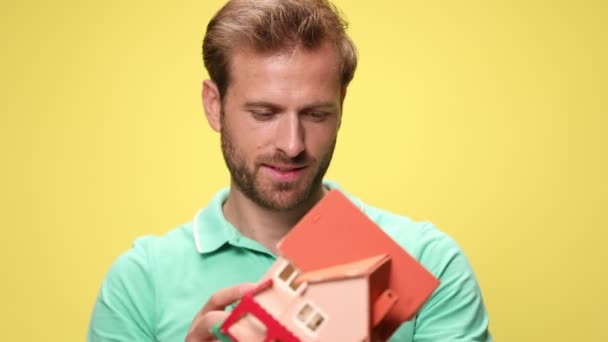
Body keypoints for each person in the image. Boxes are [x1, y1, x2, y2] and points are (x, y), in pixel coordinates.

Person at [87, 0, 492, 341]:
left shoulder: (428, 261)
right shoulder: (140, 282)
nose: (293, 144)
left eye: (316, 114)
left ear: (342, 103)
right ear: (214, 105)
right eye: (264, 113)